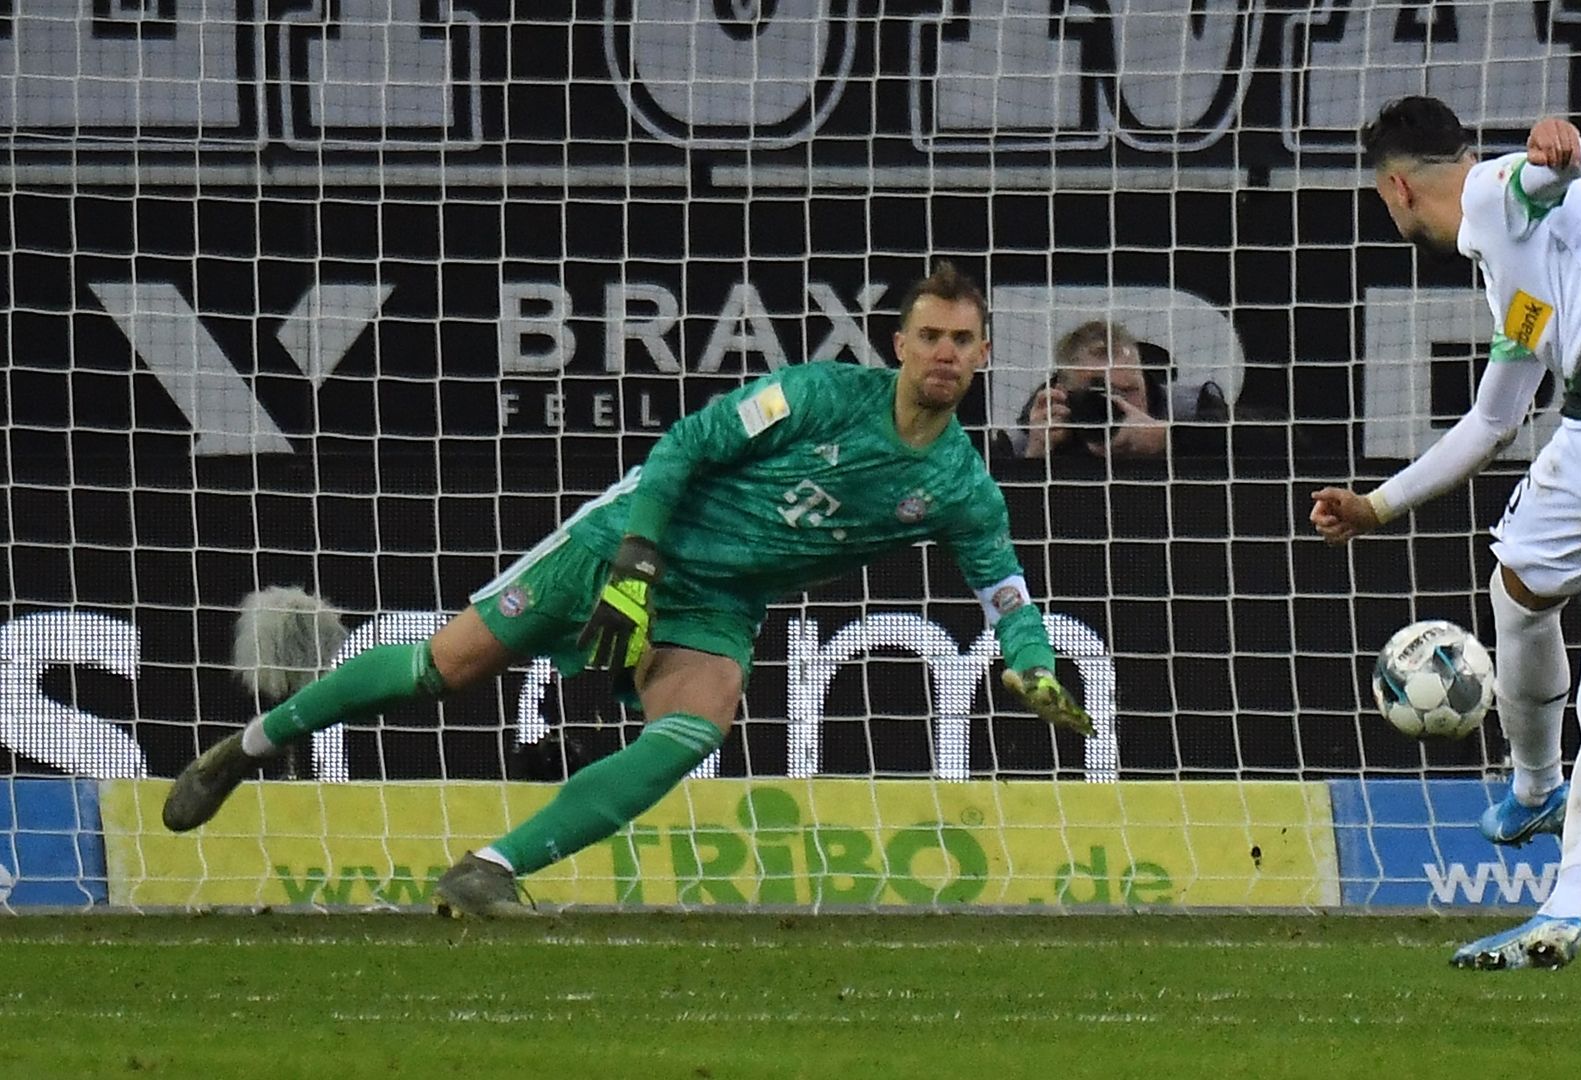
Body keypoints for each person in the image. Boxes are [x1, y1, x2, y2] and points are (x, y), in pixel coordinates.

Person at [163, 261, 1095, 916]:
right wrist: (636, 562)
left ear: (983, 353)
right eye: (929, 335)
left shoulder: (964, 488)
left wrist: (1034, 666)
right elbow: (683, 447)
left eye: (961, 339)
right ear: (899, 343)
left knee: (698, 724)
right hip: (626, 540)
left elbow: (1005, 593)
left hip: (717, 605)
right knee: (442, 669)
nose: (943, 352)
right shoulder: (817, 396)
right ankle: (244, 749)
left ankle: (489, 869)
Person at [1310, 98, 1581, 969]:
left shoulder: (1490, 195)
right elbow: (1495, 418)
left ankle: (1536, 785)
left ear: (1396, 188)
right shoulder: (1525, 278)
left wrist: (1560, 142)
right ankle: (1566, 906)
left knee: (1516, 588)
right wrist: (1378, 506)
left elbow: (1547, 171)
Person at [1012, 320, 1170, 459]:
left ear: (1145, 384)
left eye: (1129, 390)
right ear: (1062, 395)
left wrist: (1165, 442)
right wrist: (1037, 456)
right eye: (1099, 395)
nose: (1116, 404)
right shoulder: (1022, 446)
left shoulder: (1178, 418)